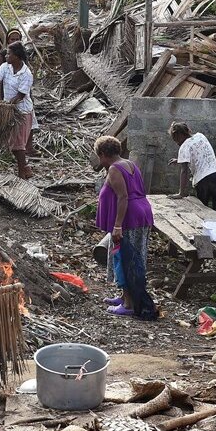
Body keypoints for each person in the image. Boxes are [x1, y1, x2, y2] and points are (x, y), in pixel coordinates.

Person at [94, 136, 157, 319]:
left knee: (126, 258)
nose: (99, 161)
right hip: (140, 213)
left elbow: (123, 197)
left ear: (103, 154)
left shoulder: (115, 169)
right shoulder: (130, 164)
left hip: (129, 218)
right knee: (125, 256)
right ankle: (124, 296)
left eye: (99, 157)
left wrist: (117, 226)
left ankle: (129, 304)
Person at [0, 41, 35, 179]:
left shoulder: (26, 74)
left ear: (16, 56)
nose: (6, 56)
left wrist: (5, 105)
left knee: (18, 144)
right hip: (9, 109)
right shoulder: (5, 67)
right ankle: (25, 168)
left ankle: (22, 173)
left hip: (22, 111)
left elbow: (20, 96)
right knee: (12, 143)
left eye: (9, 54)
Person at [169, 122, 216, 217]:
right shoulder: (201, 136)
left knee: (202, 214)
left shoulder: (184, 147)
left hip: (203, 182)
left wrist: (181, 193)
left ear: (179, 135)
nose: (176, 142)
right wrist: (179, 160)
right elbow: (199, 154)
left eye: (175, 139)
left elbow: (184, 171)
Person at [0, 29, 39, 157]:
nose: (15, 41)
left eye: (17, 39)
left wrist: (13, 102)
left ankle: (26, 148)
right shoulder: (4, 57)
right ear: (7, 40)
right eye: (12, 39)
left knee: (27, 122)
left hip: (22, 92)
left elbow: (22, 92)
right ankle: (12, 149)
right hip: (8, 91)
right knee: (9, 123)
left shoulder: (24, 62)